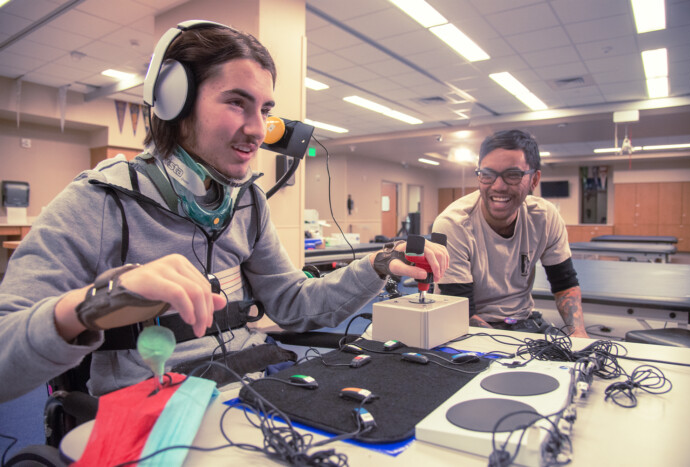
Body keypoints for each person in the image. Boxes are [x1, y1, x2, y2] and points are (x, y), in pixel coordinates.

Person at [0, 21, 448, 403]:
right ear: (175, 101)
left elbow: (293, 304)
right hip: (154, 407)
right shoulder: (99, 202)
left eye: (265, 110)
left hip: (251, 385)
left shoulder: (246, 202)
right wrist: (88, 306)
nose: (257, 131)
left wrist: (376, 265)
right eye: (237, 102)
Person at [433, 129, 588, 338]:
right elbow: (462, 310)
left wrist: (578, 333)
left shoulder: (545, 217)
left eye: (512, 175)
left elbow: (565, 283)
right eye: (487, 175)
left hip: (524, 321)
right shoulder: (453, 224)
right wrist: (516, 347)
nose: (498, 186)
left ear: (534, 180)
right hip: (469, 328)